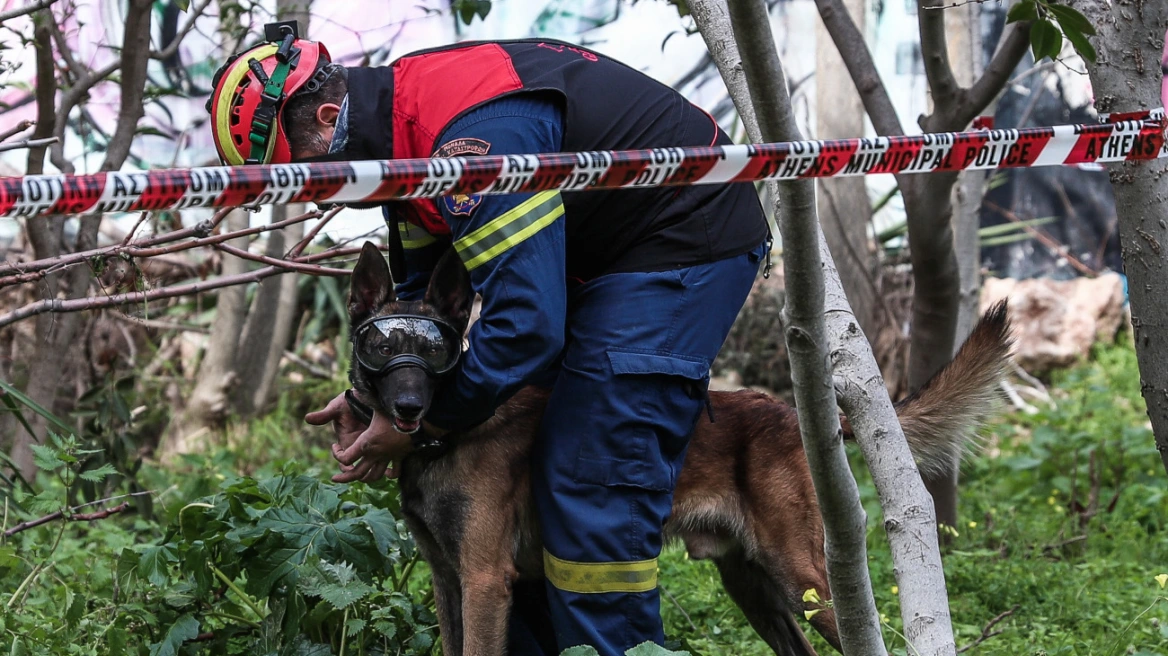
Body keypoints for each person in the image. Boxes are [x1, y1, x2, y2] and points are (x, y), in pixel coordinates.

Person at [207, 23, 768, 656]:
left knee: (591, 472)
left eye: (308, 179)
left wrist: (427, 424)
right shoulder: (401, 137)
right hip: (592, 257)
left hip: (684, 240)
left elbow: (526, 325)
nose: (316, 201)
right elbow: (422, 308)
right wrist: (374, 400)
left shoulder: (470, 145)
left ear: (332, 117)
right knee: (519, 473)